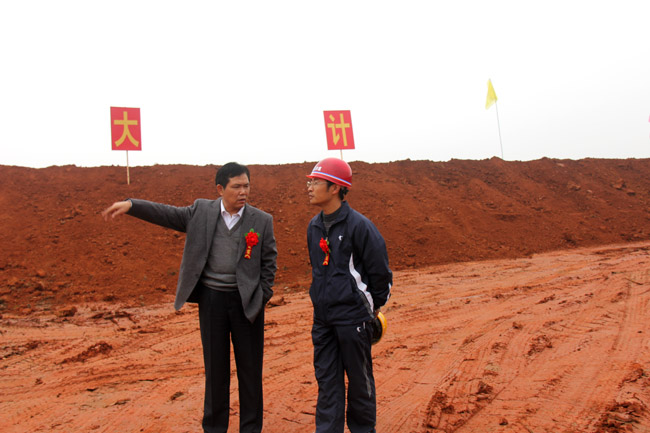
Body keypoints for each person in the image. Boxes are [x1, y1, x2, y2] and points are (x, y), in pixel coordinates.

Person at [102, 162, 277, 433]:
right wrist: (132, 205)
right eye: (236, 187)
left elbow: (269, 261)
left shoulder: (261, 220)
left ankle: (250, 428)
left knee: (250, 371)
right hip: (212, 302)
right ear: (220, 189)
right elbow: (167, 214)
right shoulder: (201, 212)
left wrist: (261, 295)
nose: (243, 192)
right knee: (216, 370)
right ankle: (214, 428)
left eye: (246, 186)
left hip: (247, 303)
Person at [305, 157, 392, 433]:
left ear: (335, 188)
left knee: (359, 382)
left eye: (316, 182)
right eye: (310, 182)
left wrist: (369, 308)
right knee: (327, 382)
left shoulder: (359, 226)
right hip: (323, 321)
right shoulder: (314, 227)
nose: (309, 187)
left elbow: (381, 275)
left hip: (353, 319)